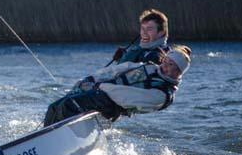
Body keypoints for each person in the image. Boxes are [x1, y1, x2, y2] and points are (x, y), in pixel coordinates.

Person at [43, 46, 191, 126]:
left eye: (170, 65)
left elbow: (125, 98)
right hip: (99, 92)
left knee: (69, 105)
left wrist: (100, 87)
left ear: (178, 71)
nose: (165, 65)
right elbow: (117, 70)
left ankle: (54, 137)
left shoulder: (162, 95)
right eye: (166, 60)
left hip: (111, 106)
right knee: (54, 106)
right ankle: (43, 135)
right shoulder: (150, 67)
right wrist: (91, 79)